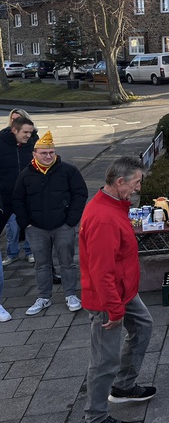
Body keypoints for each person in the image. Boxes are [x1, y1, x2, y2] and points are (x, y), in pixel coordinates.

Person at [80, 156, 156, 423]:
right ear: (120, 181)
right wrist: (114, 310)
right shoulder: (104, 219)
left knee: (143, 325)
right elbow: (102, 273)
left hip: (123, 291)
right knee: (104, 360)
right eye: (136, 183)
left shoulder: (112, 205)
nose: (138, 188)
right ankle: (96, 416)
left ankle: (124, 386)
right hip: (107, 298)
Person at [13, 130, 88, 315]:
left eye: (51, 152)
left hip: (63, 225)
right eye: (44, 153)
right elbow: (17, 199)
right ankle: (44, 297)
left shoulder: (68, 171)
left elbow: (80, 193)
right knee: (41, 264)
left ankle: (71, 294)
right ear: (34, 154)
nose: (48, 156)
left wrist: (71, 220)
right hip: (36, 228)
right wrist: (25, 223)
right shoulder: (25, 174)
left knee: (67, 262)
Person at [1, 111, 36, 265]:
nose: (28, 136)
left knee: (29, 224)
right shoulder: (2, 141)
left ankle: (30, 251)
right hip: (6, 194)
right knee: (12, 225)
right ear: (14, 129)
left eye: (30, 132)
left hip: (27, 193)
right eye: (25, 132)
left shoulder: (33, 141)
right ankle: (12, 253)